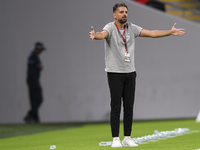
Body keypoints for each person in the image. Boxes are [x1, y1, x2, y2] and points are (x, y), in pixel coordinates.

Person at [89, 3, 185, 148]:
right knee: (116, 106)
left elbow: (152, 33)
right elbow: (102, 35)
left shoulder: (131, 27)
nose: (124, 14)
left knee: (129, 106)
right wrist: (95, 35)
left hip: (130, 73)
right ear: (114, 15)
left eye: (126, 12)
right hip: (115, 73)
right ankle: (116, 139)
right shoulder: (110, 27)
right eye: (121, 12)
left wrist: (169, 32)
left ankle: (127, 137)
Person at [24, 42, 46, 123]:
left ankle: (35, 118)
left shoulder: (31, 55)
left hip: (30, 79)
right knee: (39, 98)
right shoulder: (35, 56)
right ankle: (30, 115)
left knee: (33, 99)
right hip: (33, 79)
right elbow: (40, 67)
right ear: (38, 48)